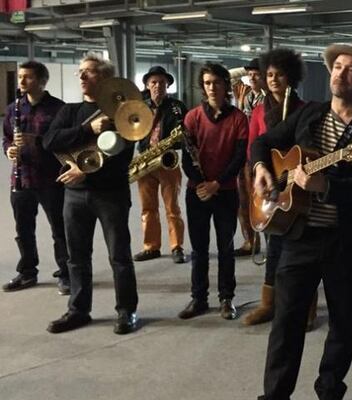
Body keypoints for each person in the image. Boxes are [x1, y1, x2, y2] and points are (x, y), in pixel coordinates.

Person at [235, 41, 352, 400]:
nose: (341, 74)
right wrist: (262, 171)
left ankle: (331, 399)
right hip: (299, 237)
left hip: (346, 241)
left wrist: (325, 185)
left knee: (341, 326)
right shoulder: (308, 113)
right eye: (337, 67)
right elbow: (261, 144)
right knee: (286, 327)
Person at [42, 53, 139, 335]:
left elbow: (123, 158)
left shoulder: (121, 114)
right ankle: (78, 310)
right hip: (74, 195)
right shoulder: (70, 112)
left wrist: (87, 171)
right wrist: (87, 129)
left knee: (119, 257)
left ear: (106, 79)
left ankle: (127, 311)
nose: (83, 76)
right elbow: (49, 140)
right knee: (77, 257)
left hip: (110, 194)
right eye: (80, 72)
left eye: (90, 71)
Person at [240, 48, 319, 331]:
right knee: (274, 248)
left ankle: (306, 306)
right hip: (269, 182)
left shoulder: (304, 109)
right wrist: (257, 175)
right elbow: (253, 146)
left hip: (295, 185)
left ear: (291, 78)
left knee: (300, 250)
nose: (273, 79)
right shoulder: (260, 111)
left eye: (279, 75)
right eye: (269, 74)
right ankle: (268, 304)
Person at [177, 63, 247, 321]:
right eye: (207, 83)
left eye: (217, 82)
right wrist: (201, 184)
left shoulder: (239, 118)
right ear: (202, 86)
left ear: (226, 86)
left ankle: (226, 299)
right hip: (198, 192)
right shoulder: (192, 117)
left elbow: (239, 157)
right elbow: (187, 157)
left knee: (226, 248)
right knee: (199, 249)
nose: (212, 87)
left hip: (226, 192)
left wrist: (217, 183)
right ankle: (199, 298)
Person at [2, 61, 68, 295]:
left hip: (50, 178)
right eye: (20, 76)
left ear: (41, 81)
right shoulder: (13, 109)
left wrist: (36, 140)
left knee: (59, 228)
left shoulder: (58, 109)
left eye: (27, 77)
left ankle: (65, 273)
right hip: (21, 178)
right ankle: (28, 271)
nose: (21, 81)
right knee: (24, 229)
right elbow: (7, 138)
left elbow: (64, 142)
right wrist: (9, 149)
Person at [132, 66, 188, 264]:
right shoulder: (139, 107)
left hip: (167, 162)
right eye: (154, 82)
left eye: (162, 82)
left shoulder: (177, 106)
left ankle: (176, 246)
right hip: (146, 161)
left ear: (168, 85)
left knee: (172, 207)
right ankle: (151, 247)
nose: (158, 86)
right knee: (148, 208)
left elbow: (186, 134)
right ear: (147, 85)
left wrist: (173, 143)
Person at [233, 58, 267, 258]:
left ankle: (271, 239)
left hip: (261, 157)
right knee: (243, 200)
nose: (252, 78)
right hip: (243, 153)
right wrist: (244, 71)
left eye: (257, 74)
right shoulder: (245, 96)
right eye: (250, 74)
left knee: (262, 199)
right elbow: (228, 76)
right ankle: (250, 241)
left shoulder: (268, 99)